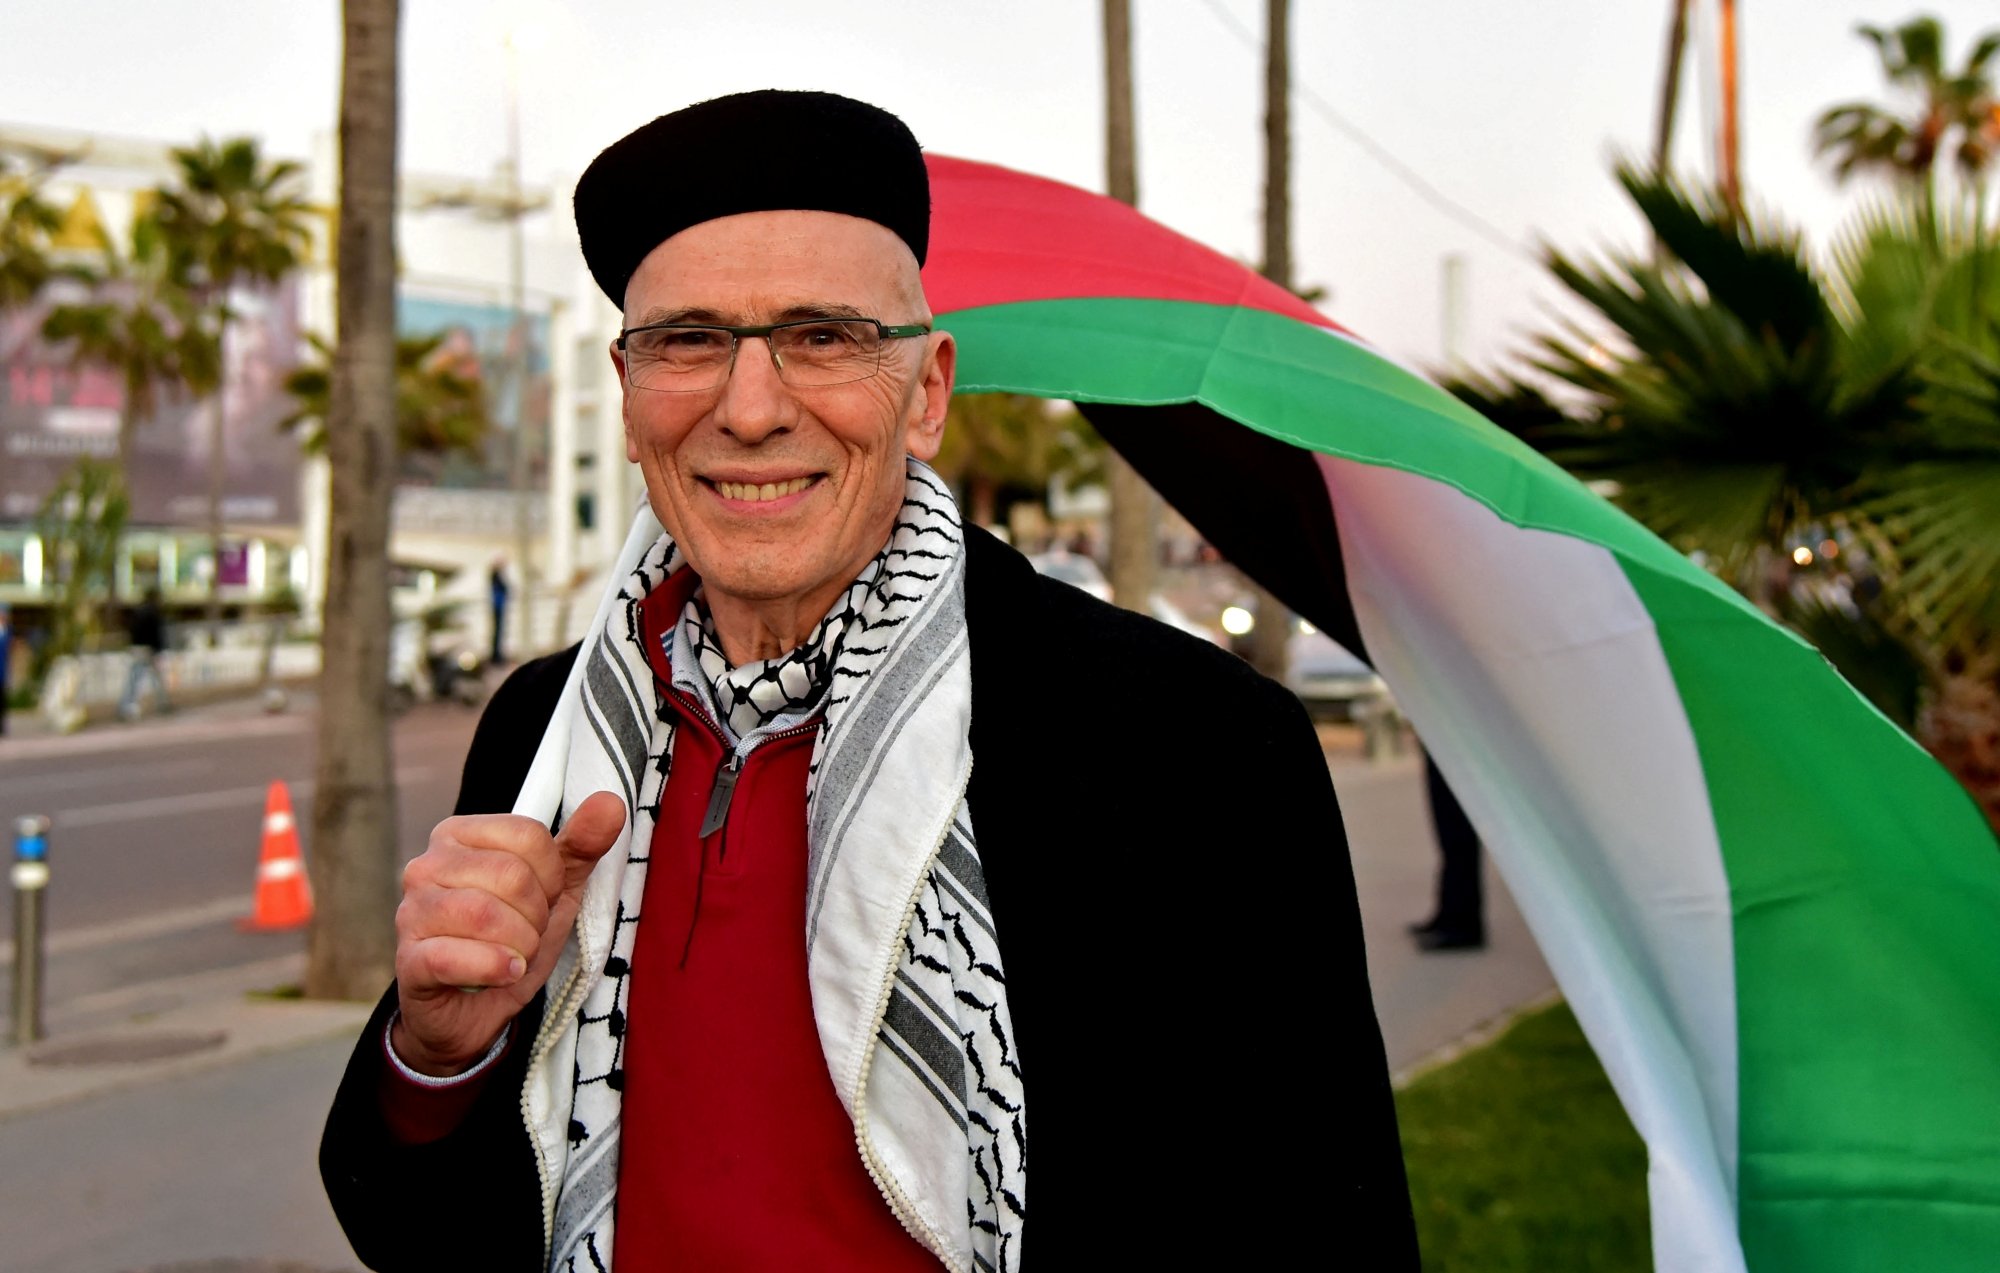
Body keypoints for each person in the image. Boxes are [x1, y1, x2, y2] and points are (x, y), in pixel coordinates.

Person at [320, 90, 1415, 1271]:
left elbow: (1322, 1226)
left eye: (821, 337)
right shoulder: (545, 730)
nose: (749, 409)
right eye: (687, 341)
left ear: (927, 392)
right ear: (628, 398)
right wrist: (438, 1059)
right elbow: (432, 1235)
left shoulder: (1190, 747)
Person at [1410, 749, 1485, 951]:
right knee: (1448, 831)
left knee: (1456, 832)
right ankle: (1449, 913)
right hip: (1444, 746)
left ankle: (1462, 923)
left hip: (1457, 748)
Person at [117, 587, 173, 721]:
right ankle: (161, 704)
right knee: (151, 677)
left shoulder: (138, 611)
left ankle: (128, 706)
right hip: (149, 649)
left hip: (138, 648)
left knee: (137, 678)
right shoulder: (152, 612)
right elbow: (156, 633)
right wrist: (158, 649)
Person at [488, 555, 510, 665]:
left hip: (499, 605)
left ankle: (496, 655)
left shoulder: (495, 575)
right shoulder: (496, 575)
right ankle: (496, 657)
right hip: (498, 605)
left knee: (499, 632)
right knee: (498, 631)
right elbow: (505, 588)